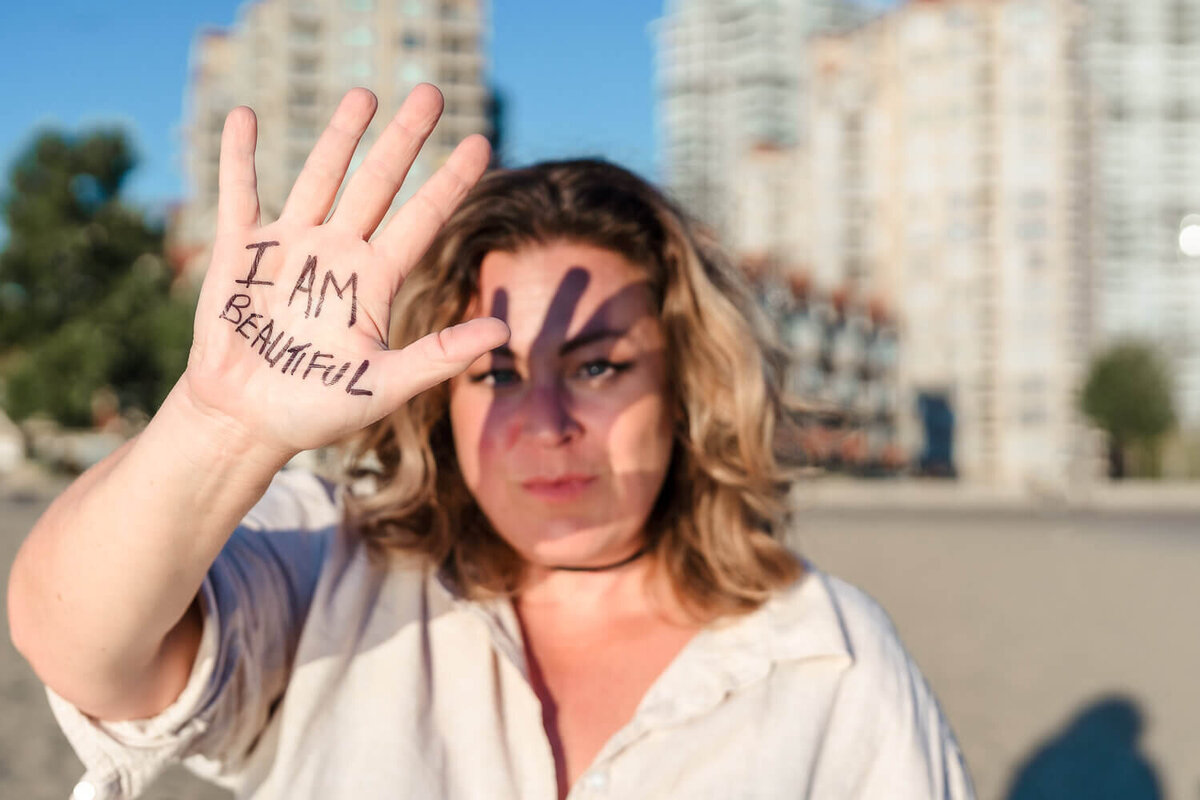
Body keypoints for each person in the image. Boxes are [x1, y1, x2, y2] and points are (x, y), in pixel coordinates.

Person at [7, 85, 974, 800]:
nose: (547, 423)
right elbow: (80, 644)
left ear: (685, 385)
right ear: (444, 403)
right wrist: (218, 424)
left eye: (598, 367)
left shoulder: (824, 656)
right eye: (497, 373)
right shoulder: (329, 572)